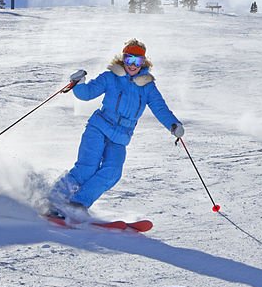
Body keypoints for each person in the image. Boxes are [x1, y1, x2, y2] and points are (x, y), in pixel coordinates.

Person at [47, 39, 184, 219]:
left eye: (137, 61)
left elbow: (160, 108)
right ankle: (54, 198)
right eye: (129, 60)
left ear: (143, 63)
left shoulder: (148, 86)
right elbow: (87, 94)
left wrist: (173, 125)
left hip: (120, 137)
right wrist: (78, 83)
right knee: (87, 167)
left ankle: (78, 203)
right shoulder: (111, 77)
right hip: (99, 127)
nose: (133, 65)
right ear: (123, 59)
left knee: (113, 172)